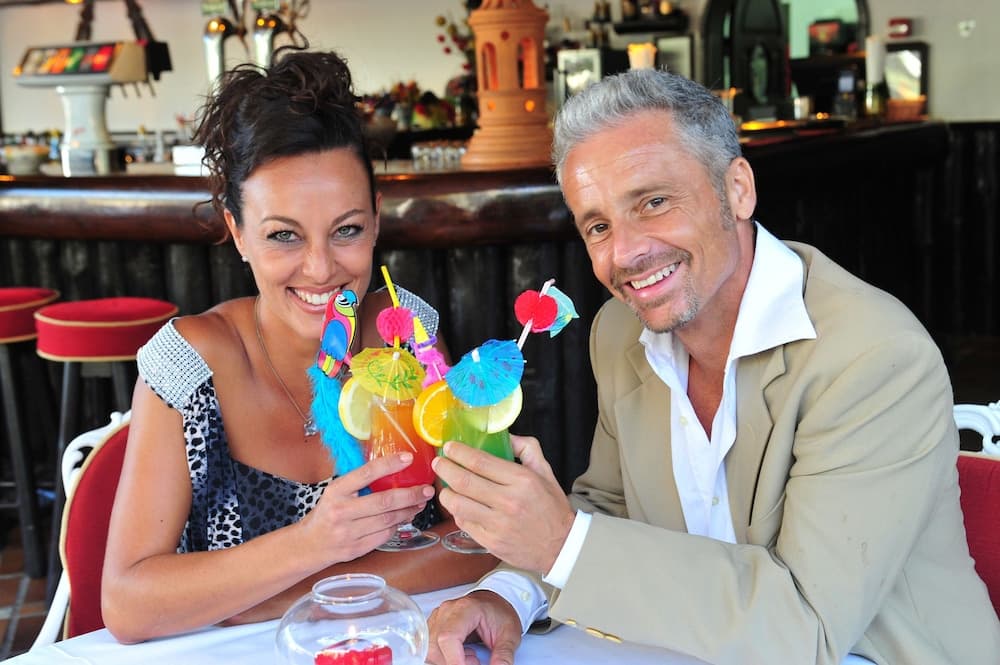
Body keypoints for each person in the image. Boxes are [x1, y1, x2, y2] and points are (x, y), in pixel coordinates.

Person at [426, 68, 1000, 665]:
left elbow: (807, 625)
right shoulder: (620, 331)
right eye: (598, 226)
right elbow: (612, 508)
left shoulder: (874, 357)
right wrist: (507, 595)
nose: (625, 252)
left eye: (653, 202)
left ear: (738, 190)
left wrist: (562, 545)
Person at [101, 48, 496, 644]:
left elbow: (478, 538)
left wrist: (291, 597)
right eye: (283, 235)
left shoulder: (407, 336)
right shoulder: (189, 364)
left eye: (347, 230)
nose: (320, 269)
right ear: (237, 233)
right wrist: (313, 544)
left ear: (376, 219)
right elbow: (128, 603)